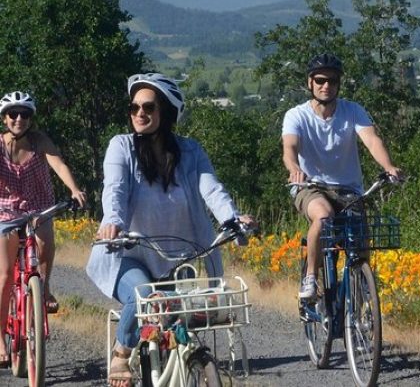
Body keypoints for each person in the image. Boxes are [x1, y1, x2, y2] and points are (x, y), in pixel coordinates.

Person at [86, 73, 255, 387]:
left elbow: (212, 190)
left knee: (182, 320)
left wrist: (231, 219)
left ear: (166, 112)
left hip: (179, 259)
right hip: (129, 254)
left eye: (148, 107)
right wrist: (113, 223)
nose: (140, 113)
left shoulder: (190, 152)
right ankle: (121, 353)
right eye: (134, 107)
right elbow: (115, 190)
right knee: (144, 299)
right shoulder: (121, 147)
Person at [282, 53, 402, 299]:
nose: (326, 86)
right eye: (320, 80)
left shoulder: (352, 111)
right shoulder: (296, 115)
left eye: (332, 81)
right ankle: (311, 278)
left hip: (348, 189)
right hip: (310, 186)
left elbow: (371, 139)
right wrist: (294, 168)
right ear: (310, 83)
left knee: (360, 245)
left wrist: (389, 166)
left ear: (339, 84)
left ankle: (361, 293)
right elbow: (289, 148)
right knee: (323, 216)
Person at [0, 91, 86, 367]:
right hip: (5, 211)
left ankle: (44, 289)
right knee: (3, 277)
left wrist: (74, 189)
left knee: (46, 243)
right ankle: (0, 336)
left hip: (38, 207)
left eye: (24, 114)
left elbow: (58, 164)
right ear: (4, 118)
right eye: (13, 113)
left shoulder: (40, 141)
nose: (18, 119)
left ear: (31, 119)